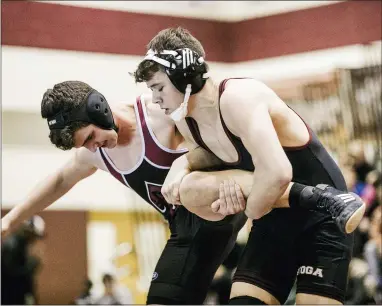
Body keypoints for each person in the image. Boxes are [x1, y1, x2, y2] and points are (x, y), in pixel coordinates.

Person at [133, 27, 367, 304]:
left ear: (184, 75)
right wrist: (180, 166)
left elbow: (279, 172)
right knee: (189, 188)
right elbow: (207, 157)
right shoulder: (185, 117)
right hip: (275, 211)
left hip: (323, 212)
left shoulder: (238, 97)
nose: (155, 98)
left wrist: (248, 207)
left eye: (158, 88)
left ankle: (321, 199)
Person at [1, 81, 250, 305]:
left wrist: (190, 166)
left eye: (90, 136)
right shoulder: (94, 153)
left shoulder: (158, 112)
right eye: (84, 145)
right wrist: (10, 221)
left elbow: (223, 138)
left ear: (99, 109)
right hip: (186, 231)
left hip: (225, 201)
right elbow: (59, 181)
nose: (92, 146)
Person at [1, 216, 45, 305]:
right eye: (33, 235)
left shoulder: (22, 245)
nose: (34, 239)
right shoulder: (12, 245)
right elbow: (9, 273)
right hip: (10, 296)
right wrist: (29, 268)